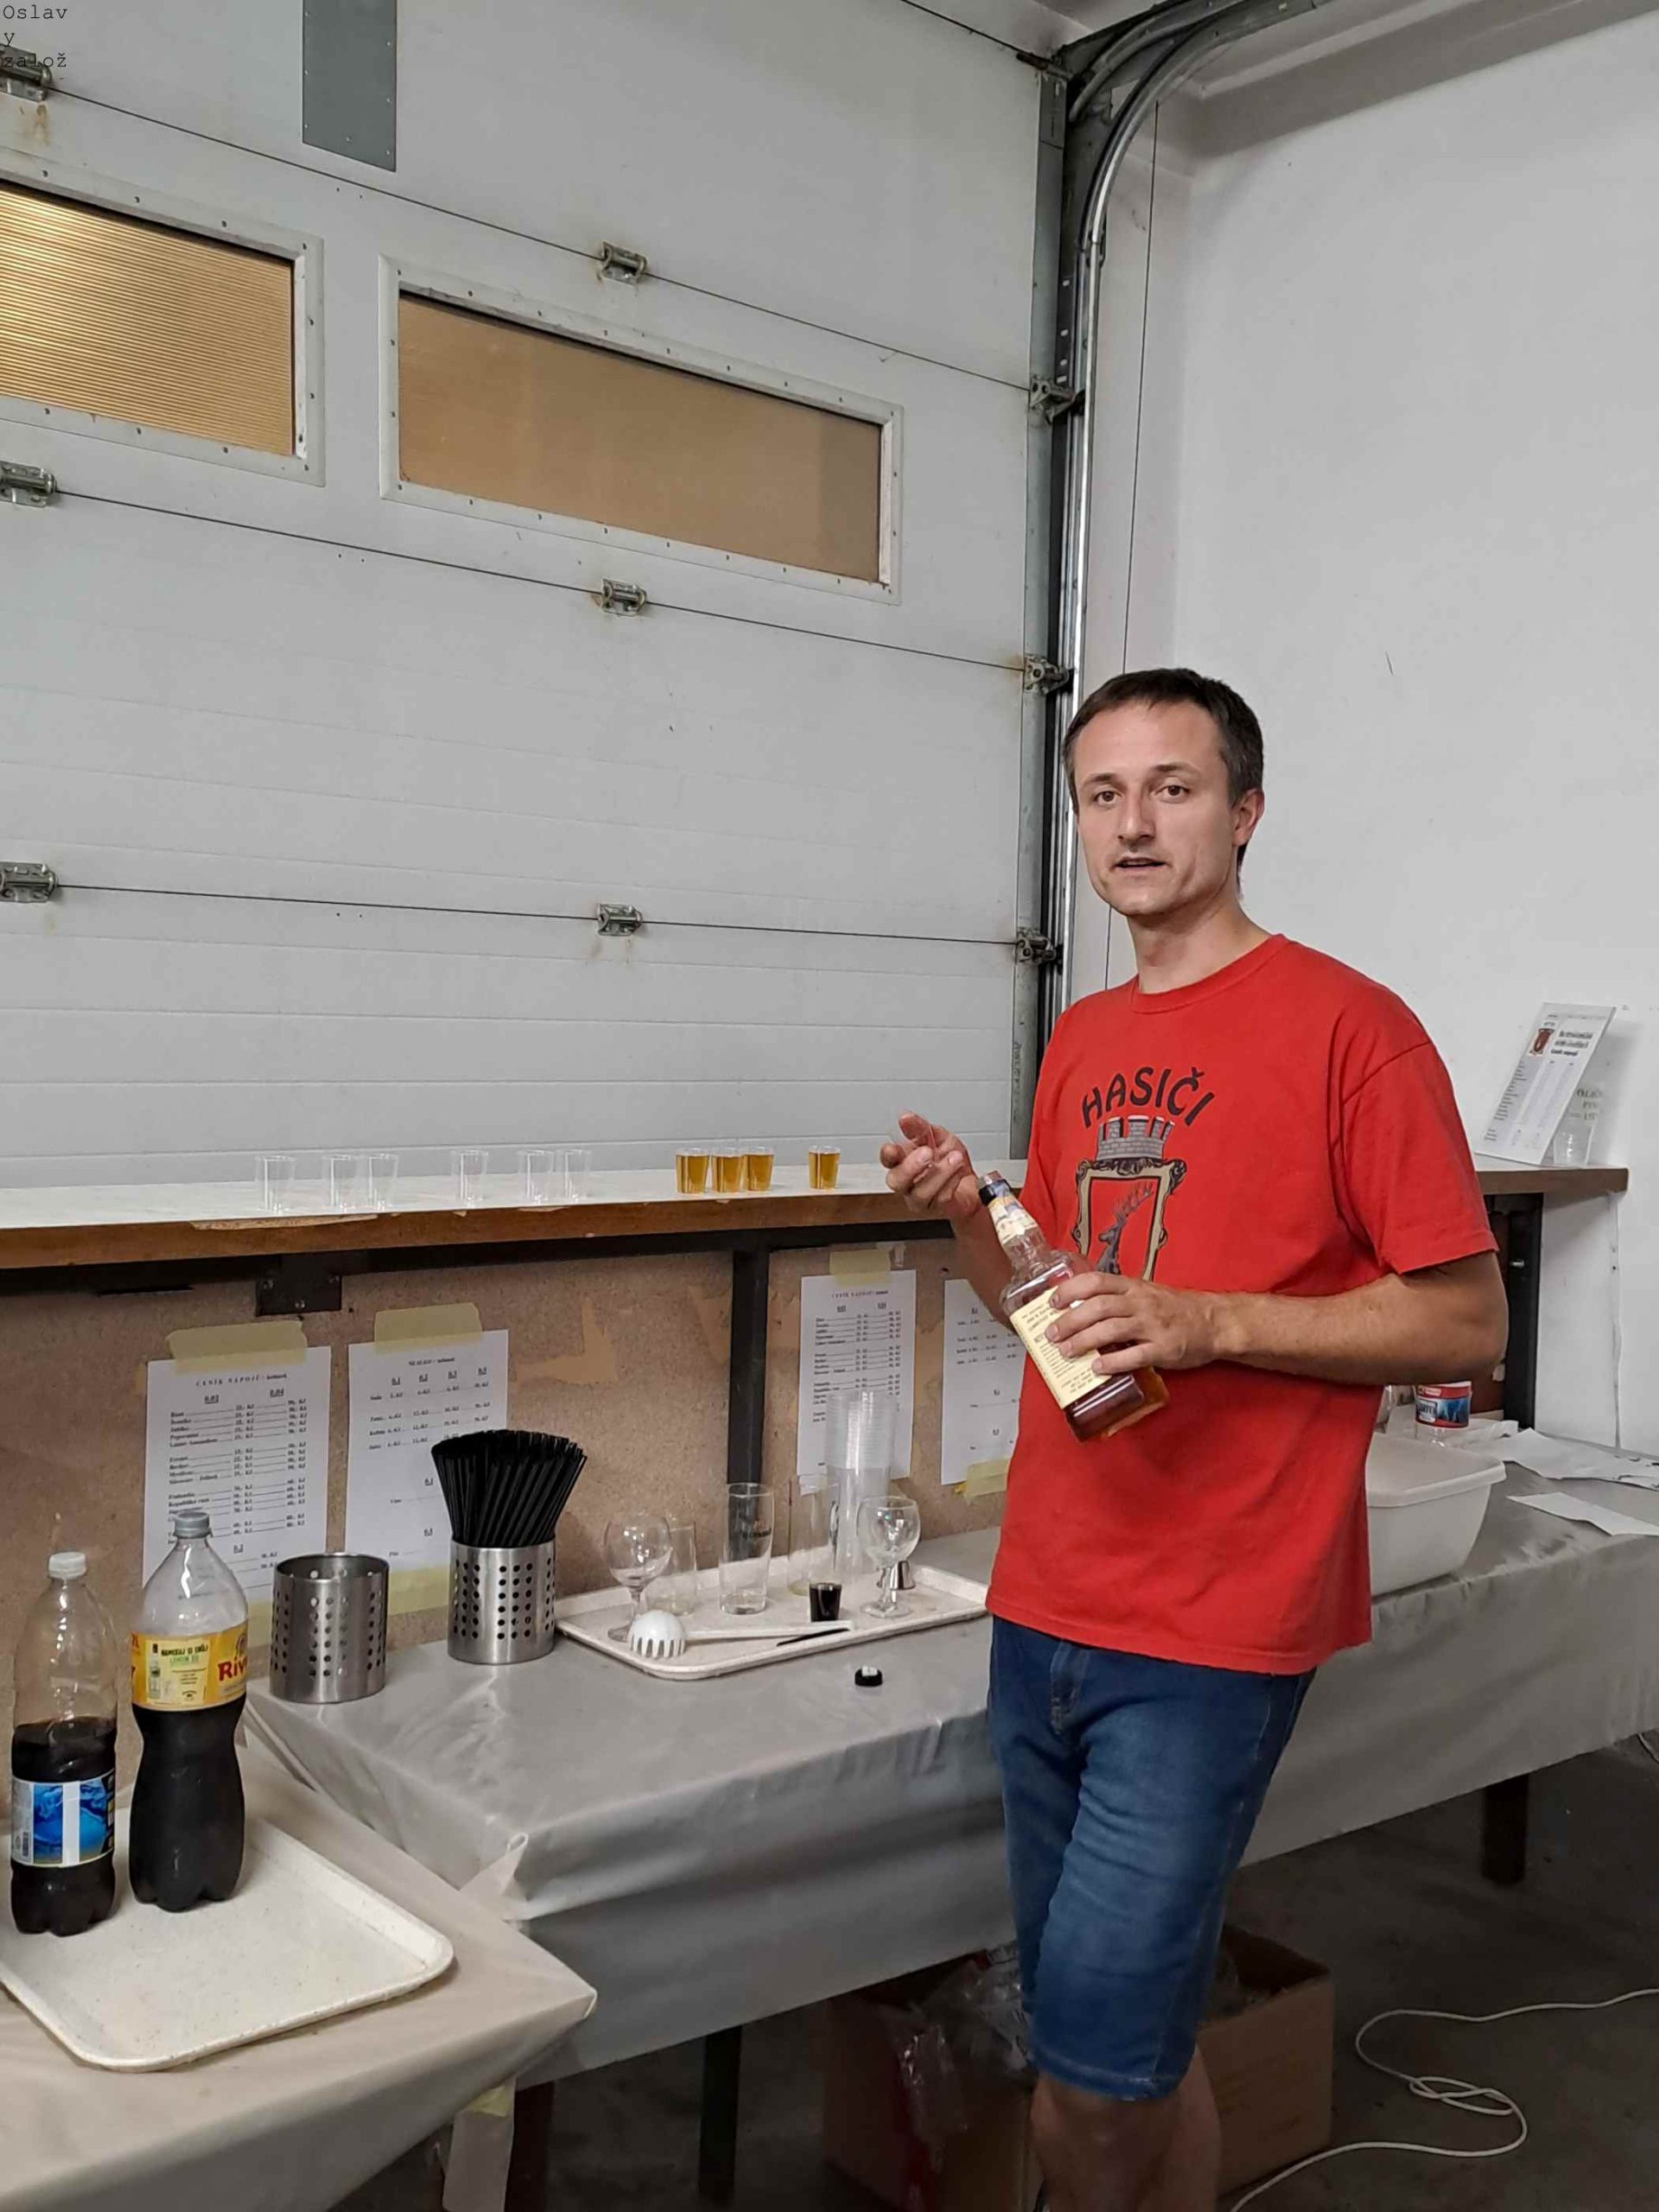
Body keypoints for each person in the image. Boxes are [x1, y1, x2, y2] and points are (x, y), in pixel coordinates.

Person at [883, 669, 1507, 2212]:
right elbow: (1054, 1311)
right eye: (1103, 794)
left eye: (1173, 787)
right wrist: (973, 1214)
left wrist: (1208, 1321)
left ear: (1246, 811)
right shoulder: (1086, 1037)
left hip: (1215, 1623)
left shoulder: (1354, 1031)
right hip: (1045, 1599)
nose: (1135, 823)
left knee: (1093, 2090)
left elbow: (1463, 1321)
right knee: (1122, 2043)